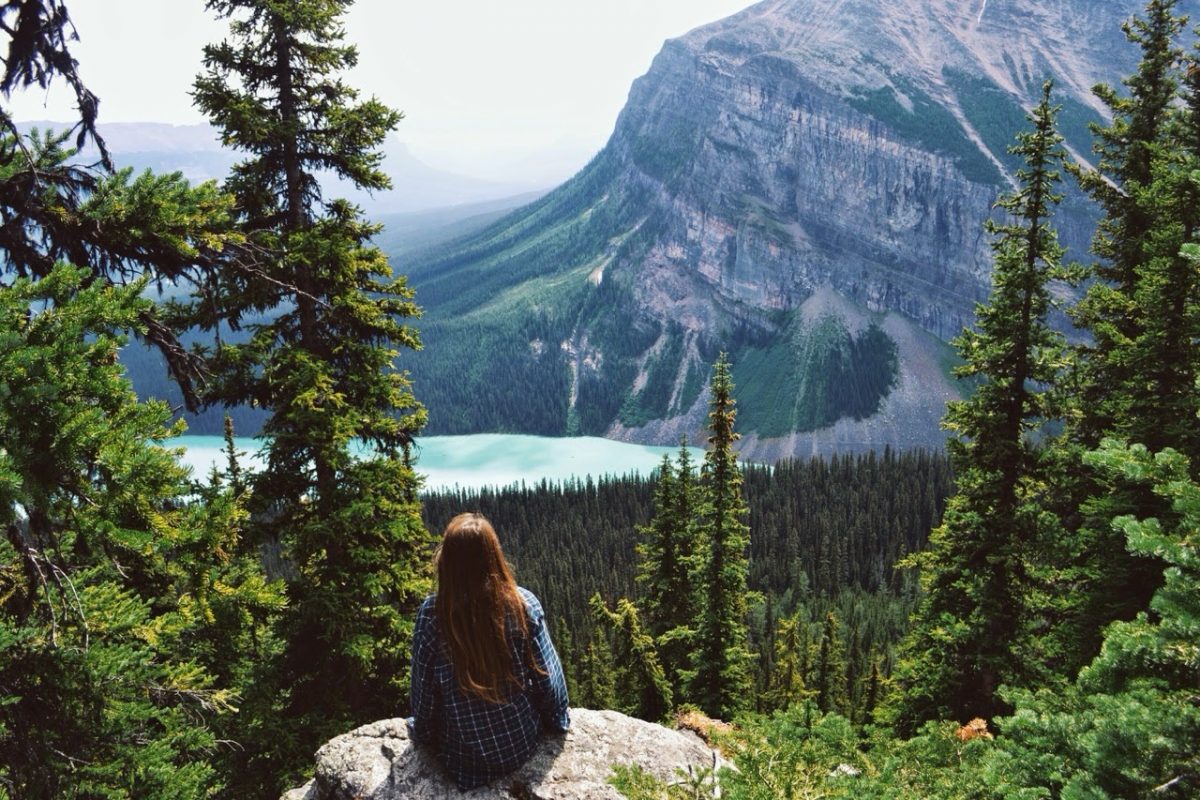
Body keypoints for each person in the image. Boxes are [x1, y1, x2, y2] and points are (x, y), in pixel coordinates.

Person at [408, 512, 571, 789]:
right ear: (493, 556)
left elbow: (423, 695)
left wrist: (422, 733)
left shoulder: (433, 614)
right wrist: (558, 721)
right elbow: (550, 681)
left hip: (463, 760)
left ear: (447, 562)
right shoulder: (522, 604)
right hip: (521, 745)